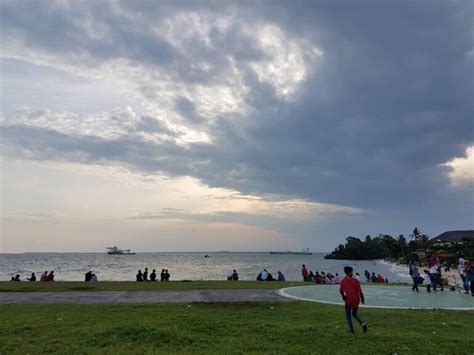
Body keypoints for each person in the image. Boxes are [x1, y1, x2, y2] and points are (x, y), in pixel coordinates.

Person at [339, 266, 368, 334]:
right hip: (356, 300)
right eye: (351, 271)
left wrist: (343, 296)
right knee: (354, 314)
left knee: (348, 317)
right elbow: (360, 291)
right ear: (349, 272)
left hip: (348, 300)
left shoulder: (343, 281)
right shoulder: (355, 281)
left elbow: (340, 290)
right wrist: (362, 299)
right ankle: (362, 323)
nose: (352, 273)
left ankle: (352, 331)